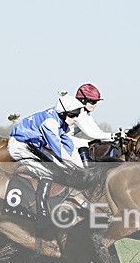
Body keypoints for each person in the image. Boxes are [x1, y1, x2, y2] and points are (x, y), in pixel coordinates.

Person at [7, 93, 85, 223]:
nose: (76, 118)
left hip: (34, 146)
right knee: (47, 172)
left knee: (59, 166)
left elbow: (69, 146)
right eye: (73, 115)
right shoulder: (50, 123)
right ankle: (42, 215)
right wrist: (76, 168)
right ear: (63, 113)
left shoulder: (62, 121)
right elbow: (59, 150)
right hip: (19, 146)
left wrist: (81, 168)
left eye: (78, 114)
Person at [69, 83, 114, 162]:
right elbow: (91, 134)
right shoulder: (77, 112)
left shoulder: (85, 113)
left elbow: (97, 131)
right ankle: (85, 168)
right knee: (83, 143)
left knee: (89, 143)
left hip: (66, 136)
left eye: (96, 102)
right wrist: (112, 136)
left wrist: (114, 137)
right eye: (93, 102)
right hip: (58, 137)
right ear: (83, 100)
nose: (95, 105)